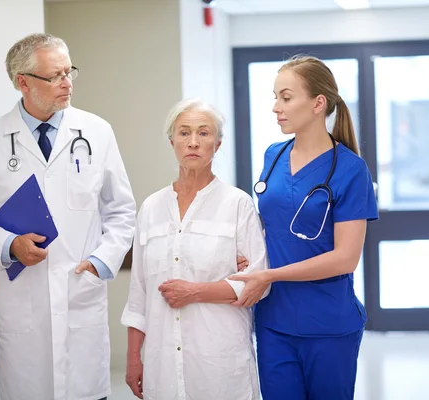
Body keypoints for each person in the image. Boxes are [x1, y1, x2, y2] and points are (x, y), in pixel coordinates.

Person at [0, 33, 136, 400]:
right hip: (23, 302)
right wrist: (8, 244)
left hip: (81, 292)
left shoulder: (97, 132)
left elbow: (122, 209)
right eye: (55, 76)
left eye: (69, 72)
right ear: (23, 82)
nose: (67, 83)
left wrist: (102, 260)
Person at [229, 55, 379, 400]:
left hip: (328, 323)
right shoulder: (274, 155)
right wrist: (250, 259)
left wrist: (270, 275)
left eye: (285, 97)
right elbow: (270, 228)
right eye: (275, 97)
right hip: (273, 321)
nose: (275, 107)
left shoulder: (351, 170)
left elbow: (345, 259)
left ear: (318, 103)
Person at [121, 98, 269, 400]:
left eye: (203, 133)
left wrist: (195, 292)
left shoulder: (237, 204)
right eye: (184, 132)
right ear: (172, 141)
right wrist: (134, 358)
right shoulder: (151, 208)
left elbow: (258, 283)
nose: (193, 142)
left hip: (219, 363)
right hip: (164, 366)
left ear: (217, 143)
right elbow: (139, 294)